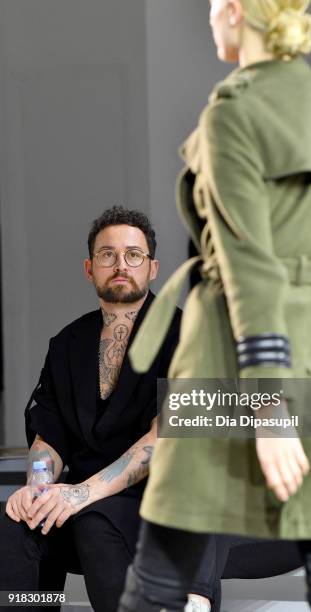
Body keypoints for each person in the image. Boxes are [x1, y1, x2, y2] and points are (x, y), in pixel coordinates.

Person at [118, 1, 311, 611]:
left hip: (228, 358)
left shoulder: (233, 112)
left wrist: (270, 409)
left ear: (239, 13)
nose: (210, 18)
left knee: (162, 575)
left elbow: (248, 269)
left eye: (217, 6)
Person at [0, 206, 182, 612]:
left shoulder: (186, 335)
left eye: (134, 255)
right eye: (107, 254)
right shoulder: (67, 343)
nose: (121, 265)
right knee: (16, 524)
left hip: (153, 506)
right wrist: (41, 488)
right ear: (89, 268)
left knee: (97, 521)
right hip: (78, 500)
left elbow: (164, 438)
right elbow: (48, 432)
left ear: (153, 268)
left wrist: (81, 494)